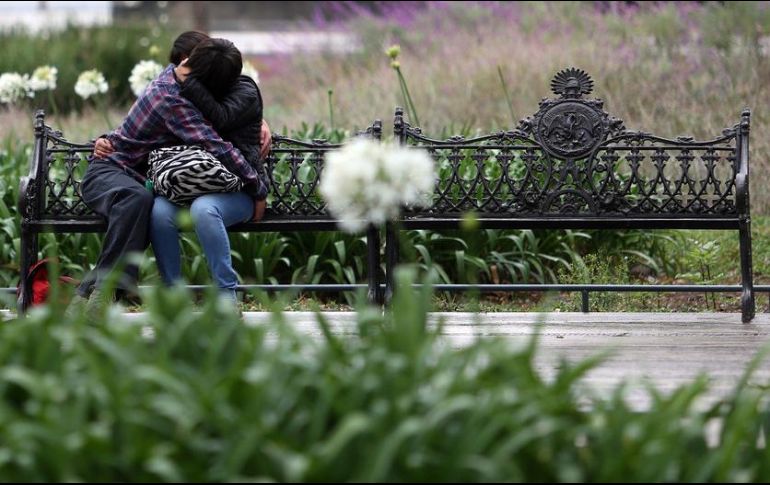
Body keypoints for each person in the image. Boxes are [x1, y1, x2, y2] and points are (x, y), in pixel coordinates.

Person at [70, 36, 266, 317]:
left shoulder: (180, 84)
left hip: (140, 179)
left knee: (144, 200)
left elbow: (234, 110)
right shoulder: (173, 98)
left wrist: (261, 122)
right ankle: (110, 293)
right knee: (140, 201)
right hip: (110, 173)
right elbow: (214, 143)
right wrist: (257, 187)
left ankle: (94, 294)